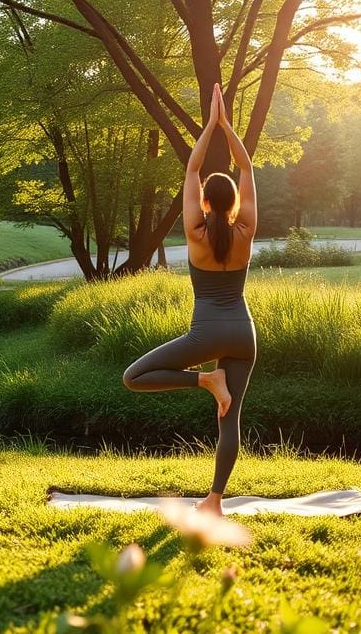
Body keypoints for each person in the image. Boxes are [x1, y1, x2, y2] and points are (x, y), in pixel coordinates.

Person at [122, 82, 257, 515]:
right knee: (229, 419)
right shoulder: (246, 230)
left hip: (206, 335)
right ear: (235, 201)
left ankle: (205, 381)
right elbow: (248, 169)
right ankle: (214, 500)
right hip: (243, 333)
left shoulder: (196, 233)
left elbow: (192, 170)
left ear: (203, 201)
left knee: (134, 377)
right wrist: (227, 127)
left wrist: (209, 127)